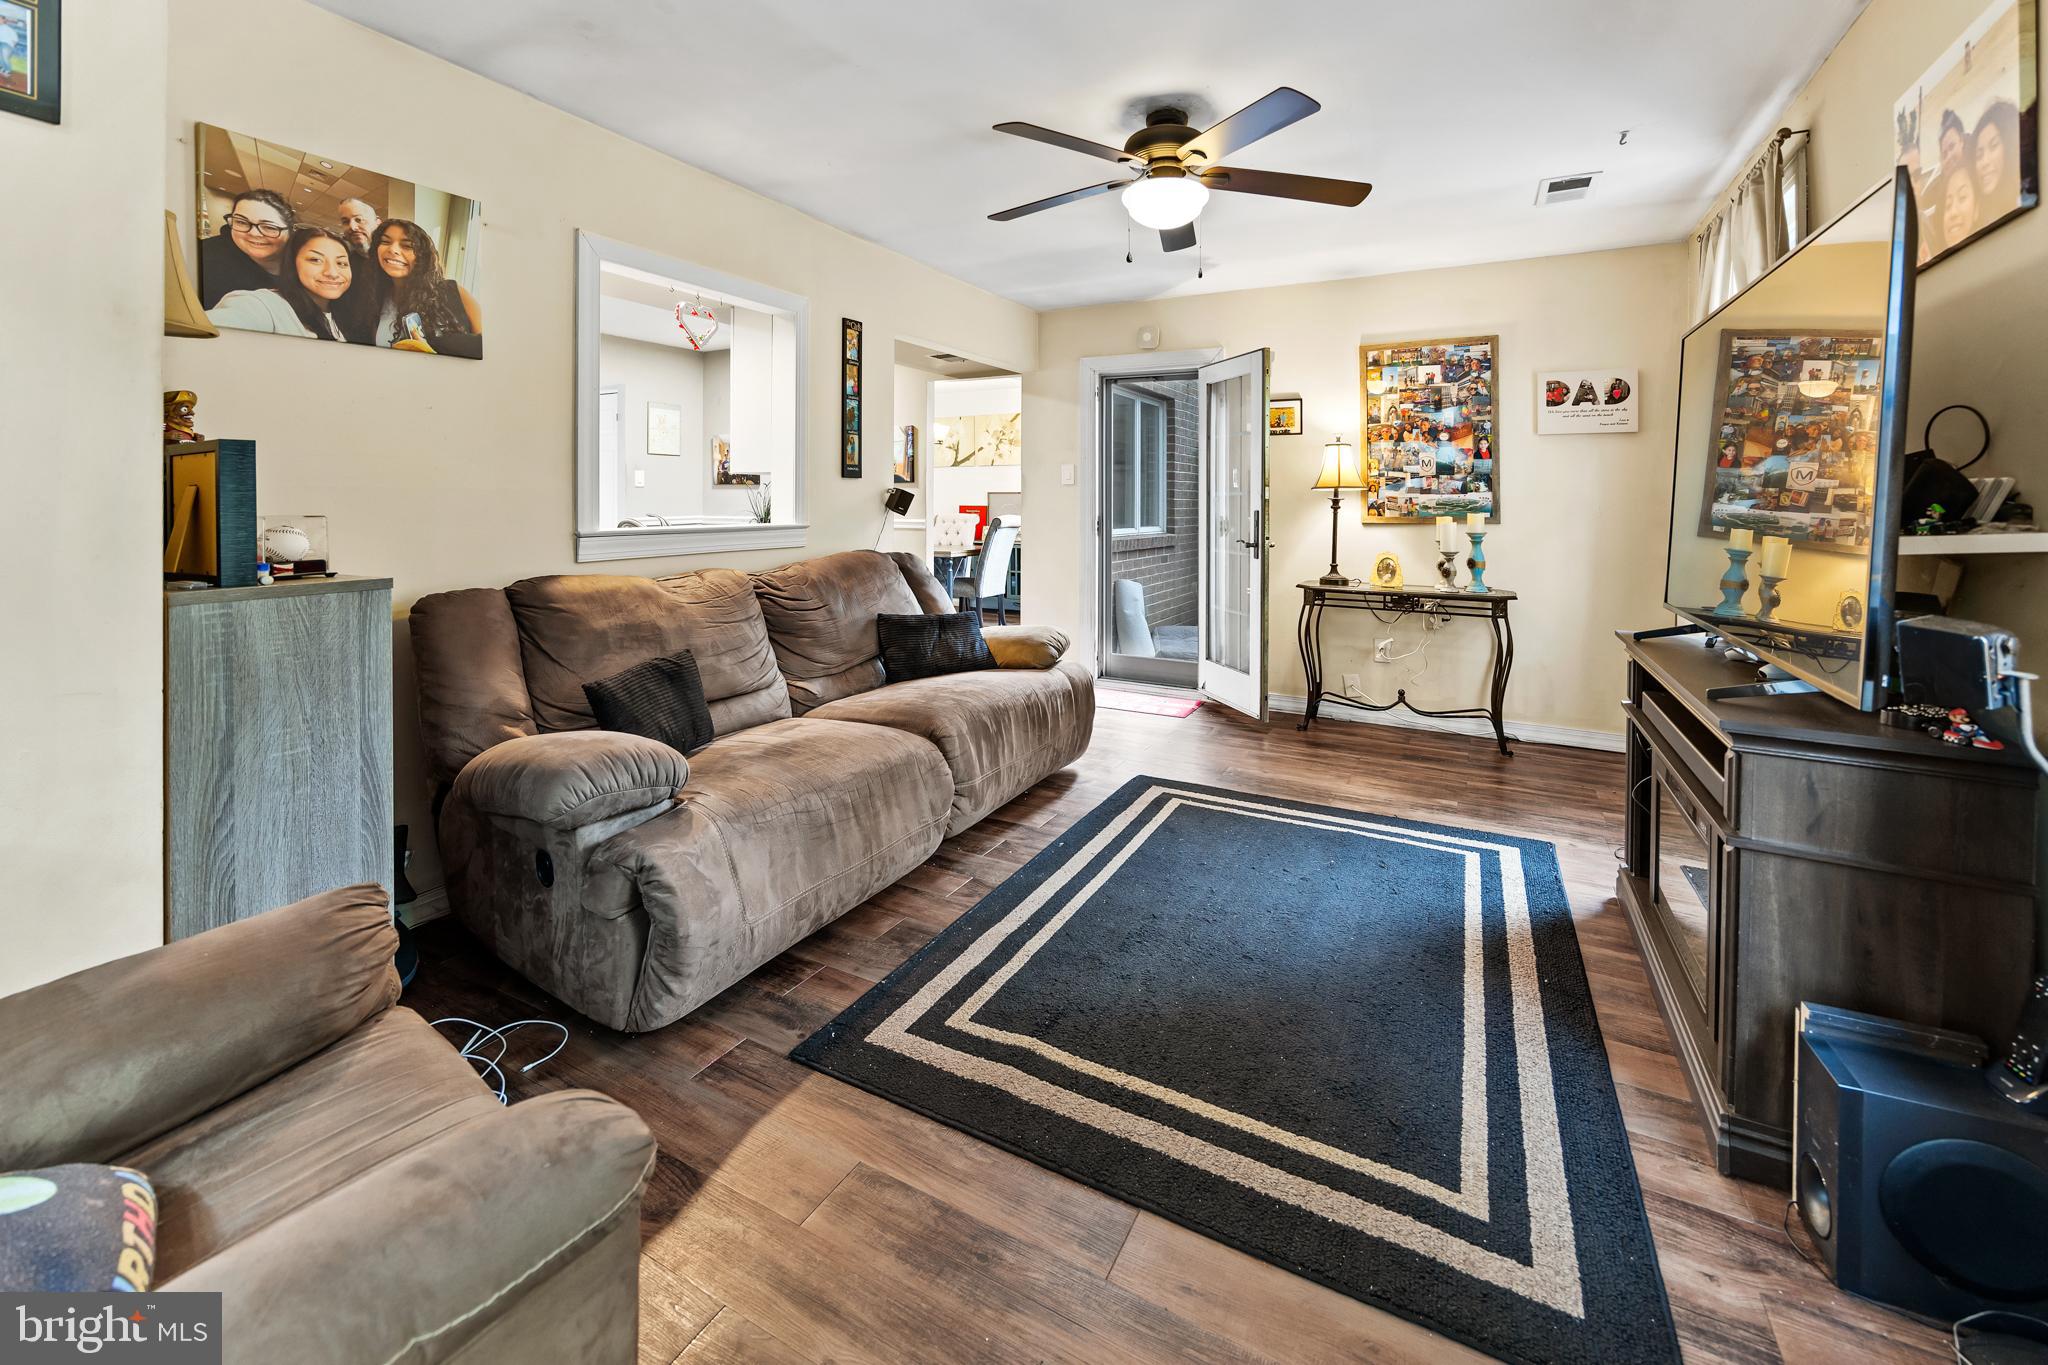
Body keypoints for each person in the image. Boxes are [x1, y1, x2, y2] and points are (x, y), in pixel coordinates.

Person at [205, 225, 360, 341]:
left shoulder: (347, 312)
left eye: (342, 263)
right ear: (292, 264)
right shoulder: (266, 306)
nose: (332, 273)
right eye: (315, 260)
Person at [367, 218, 482, 354]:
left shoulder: (454, 291)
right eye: (385, 242)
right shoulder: (375, 299)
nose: (393, 249)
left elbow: (489, 348)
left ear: (422, 256)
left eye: (407, 245)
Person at [197, 189, 294, 308]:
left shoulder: (303, 264)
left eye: (268, 227)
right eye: (241, 222)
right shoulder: (203, 256)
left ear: (289, 233)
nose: (253, 233)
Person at [1973, 100, 2023, 214]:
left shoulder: (2025, 198)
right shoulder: (1980, 216)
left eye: (1993, 146)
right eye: (1979, 155)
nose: (1984, 162)